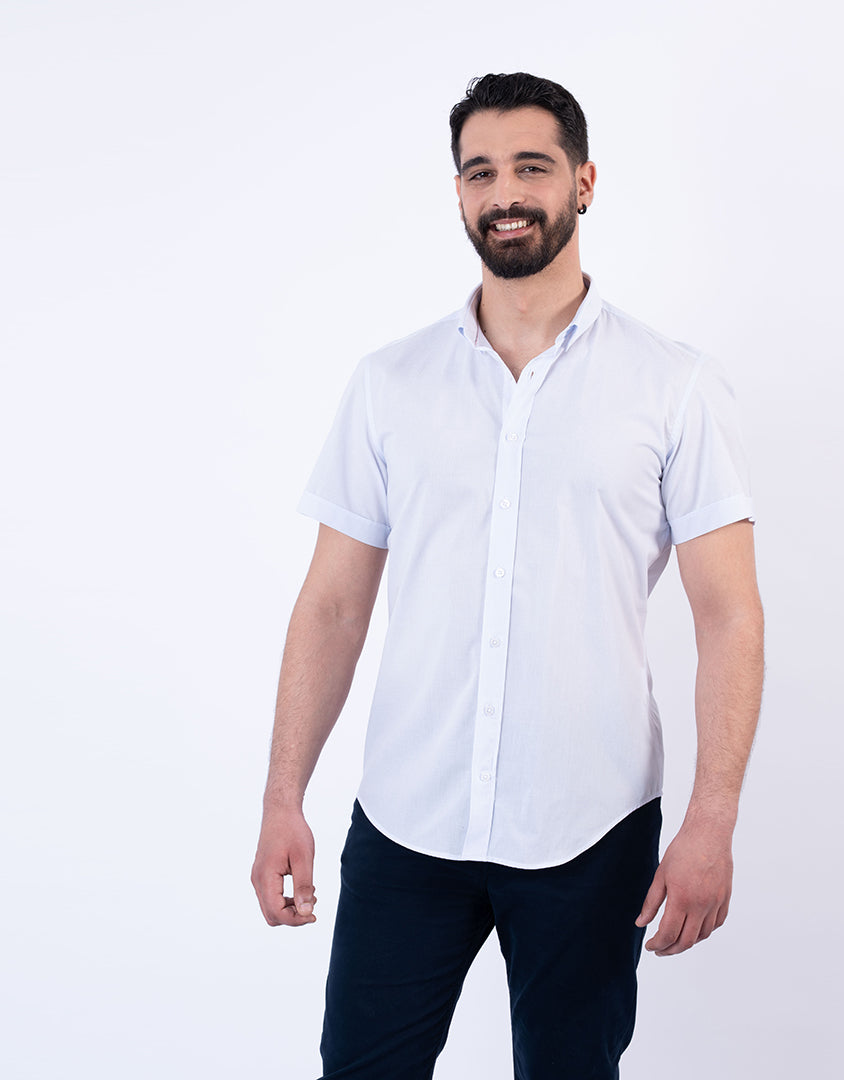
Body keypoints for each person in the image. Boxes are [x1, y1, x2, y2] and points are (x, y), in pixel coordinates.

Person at [251, 72, 764, 1080]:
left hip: (592, 826)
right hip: (408, 820)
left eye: (532, 166)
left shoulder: (674, 386)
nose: (506, 193)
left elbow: (730, 617)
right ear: (458, 193)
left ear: (584, 182)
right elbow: (332, 605)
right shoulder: (390, 383)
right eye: (480, 172)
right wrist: (282, 797)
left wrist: (712, 821)